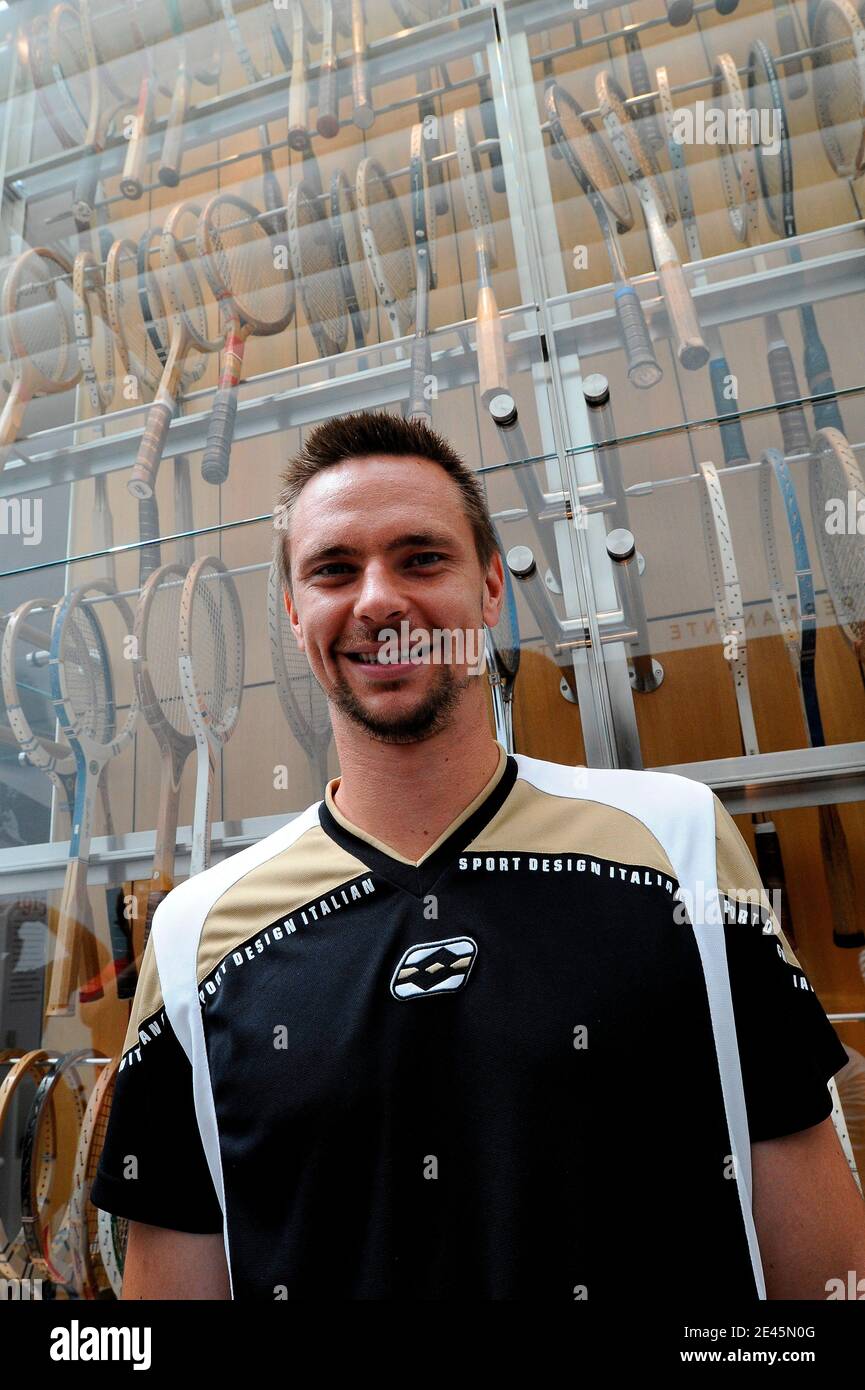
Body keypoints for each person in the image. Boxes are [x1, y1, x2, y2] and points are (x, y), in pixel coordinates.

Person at [92, 410, 865, 1301]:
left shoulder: (678, 843)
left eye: (420, 558)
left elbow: (818, 1258)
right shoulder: (193, 939)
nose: (377, 599)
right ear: (294, 612)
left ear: (491, 588)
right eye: (334, 570)